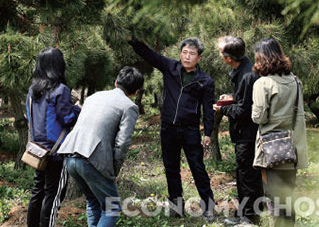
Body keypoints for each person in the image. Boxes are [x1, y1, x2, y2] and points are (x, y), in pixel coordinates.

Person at [128, 37, 215, 220]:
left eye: (192, 54)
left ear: (199, 57)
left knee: (197, 168)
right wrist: (134, 40)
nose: (187, 57)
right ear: (180, 54)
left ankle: (209, 207)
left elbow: (208, 108)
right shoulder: (171, 67)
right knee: (171, 168)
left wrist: (208, 132)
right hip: (168, 128)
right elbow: (151, 56)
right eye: (184, 52)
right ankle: (176, 208)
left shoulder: (204, 81)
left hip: (190, 130)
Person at [58, 66, 144, 227]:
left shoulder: (94, 97)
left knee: (94, 202)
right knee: (112, 209)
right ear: (135, 92)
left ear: (116, 81)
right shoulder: (129, 107)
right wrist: (113, 172)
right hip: (92, 159)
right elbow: (122, 143)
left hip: (70, 155)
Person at [251, 38, 309, 227]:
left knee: (274, 200)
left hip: (271, 150)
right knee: (287, 198)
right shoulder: (295, 81)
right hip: (292, 147)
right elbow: (299, 116)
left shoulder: (263, 83)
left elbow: (258, 117)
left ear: (261, 57)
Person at [26, 47, 81, 227]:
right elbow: (67, 118)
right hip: (56, 152)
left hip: (37, 150)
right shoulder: (60, 90)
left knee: (38, 191)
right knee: (53, 194)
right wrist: (78, 109)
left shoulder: (32, 91)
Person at [213, 36, 264, 226]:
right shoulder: (243, 69)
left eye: (220, 52)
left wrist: (222, 108)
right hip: (246, 133)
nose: (219, 55)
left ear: (228, 58)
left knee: (247, 176)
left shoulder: (246, 75)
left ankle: (249, 218)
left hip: (247, 134)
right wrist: (232, 97)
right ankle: (247, 214)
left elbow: (244, 111)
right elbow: (243, 100)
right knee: (246, 174)